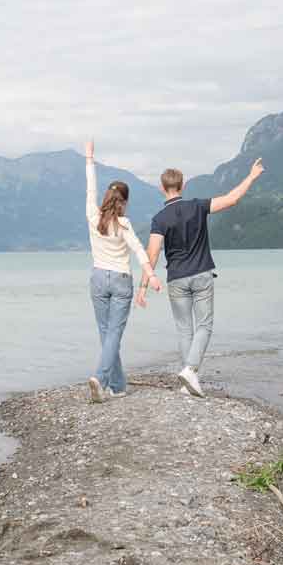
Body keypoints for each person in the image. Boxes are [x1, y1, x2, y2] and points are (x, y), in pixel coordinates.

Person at [146, 156, 264, 397]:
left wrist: (144, 282)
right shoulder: (197, 206)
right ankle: (190, 370)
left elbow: (153, 253)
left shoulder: (159, 219)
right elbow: (232, 199)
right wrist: (251, 176)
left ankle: (188, 381)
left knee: (183, 329)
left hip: (176, 278)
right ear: (183, 185)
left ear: (162, 187)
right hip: (201, 274)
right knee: (205, 326)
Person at [84, 140, 162, 403]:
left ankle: (117, 385)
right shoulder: (124, 224)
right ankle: (101, 379)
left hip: (97, 279)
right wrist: (150, 276)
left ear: (106, 198)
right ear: (124, 202)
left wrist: (89, 160)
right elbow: (140, 251)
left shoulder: (93, 217)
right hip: (120, 281)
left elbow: (89, 189)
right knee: (114, 334)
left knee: (106, 333)